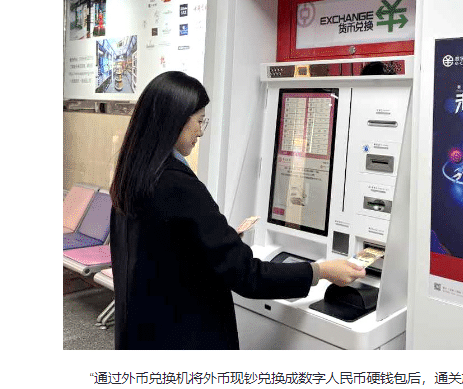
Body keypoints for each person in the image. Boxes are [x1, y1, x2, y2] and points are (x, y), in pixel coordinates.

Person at [109, 70, 365, 349]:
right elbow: (247, 275)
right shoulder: (178, 185)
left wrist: (219, 241)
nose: (200, 132)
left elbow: (166, 251)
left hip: (143, 333)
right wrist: (321, 271)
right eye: (199, 121)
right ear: (175, 120)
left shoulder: (132, 176)